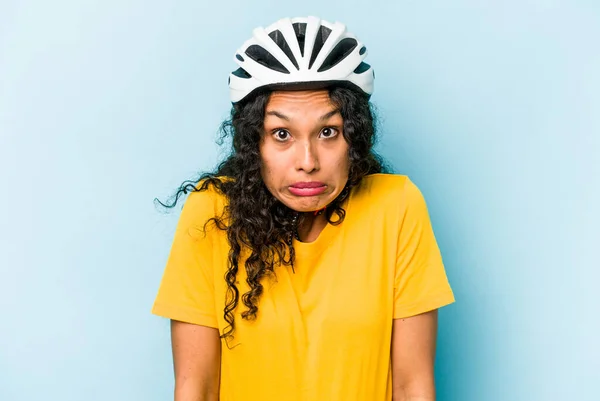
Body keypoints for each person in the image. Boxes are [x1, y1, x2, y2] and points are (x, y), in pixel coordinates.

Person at [151, 16, 455, 401]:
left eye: (328, 132)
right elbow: (197, 387)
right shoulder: (211, 213)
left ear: (354, 137)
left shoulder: (396, 206)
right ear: (253, 144)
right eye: (282, 135)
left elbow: (412, 386)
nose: (307, 160)